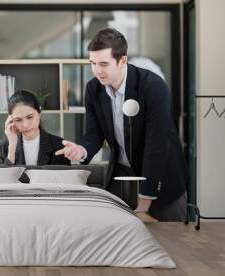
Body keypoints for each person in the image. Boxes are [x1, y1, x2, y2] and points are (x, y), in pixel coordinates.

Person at [55, 28, 188, 221]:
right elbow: (93, 134)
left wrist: (143, 204)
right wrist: (81, 150)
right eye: (92, 63)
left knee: (174, 243)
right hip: (122, 178)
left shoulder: (153, 87)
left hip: (163, 179)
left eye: (103, 64)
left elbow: (156, 147)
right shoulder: (93, 90)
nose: (97, 71)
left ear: (123, 60)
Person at [0, 90, 70, 166]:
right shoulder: (1, 148)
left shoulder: (59, 146)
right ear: (11, 120)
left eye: (30, 117)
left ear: (39, 113)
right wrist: (12, 147)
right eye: (18, 120)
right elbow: (3, 178)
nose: (25, 125)